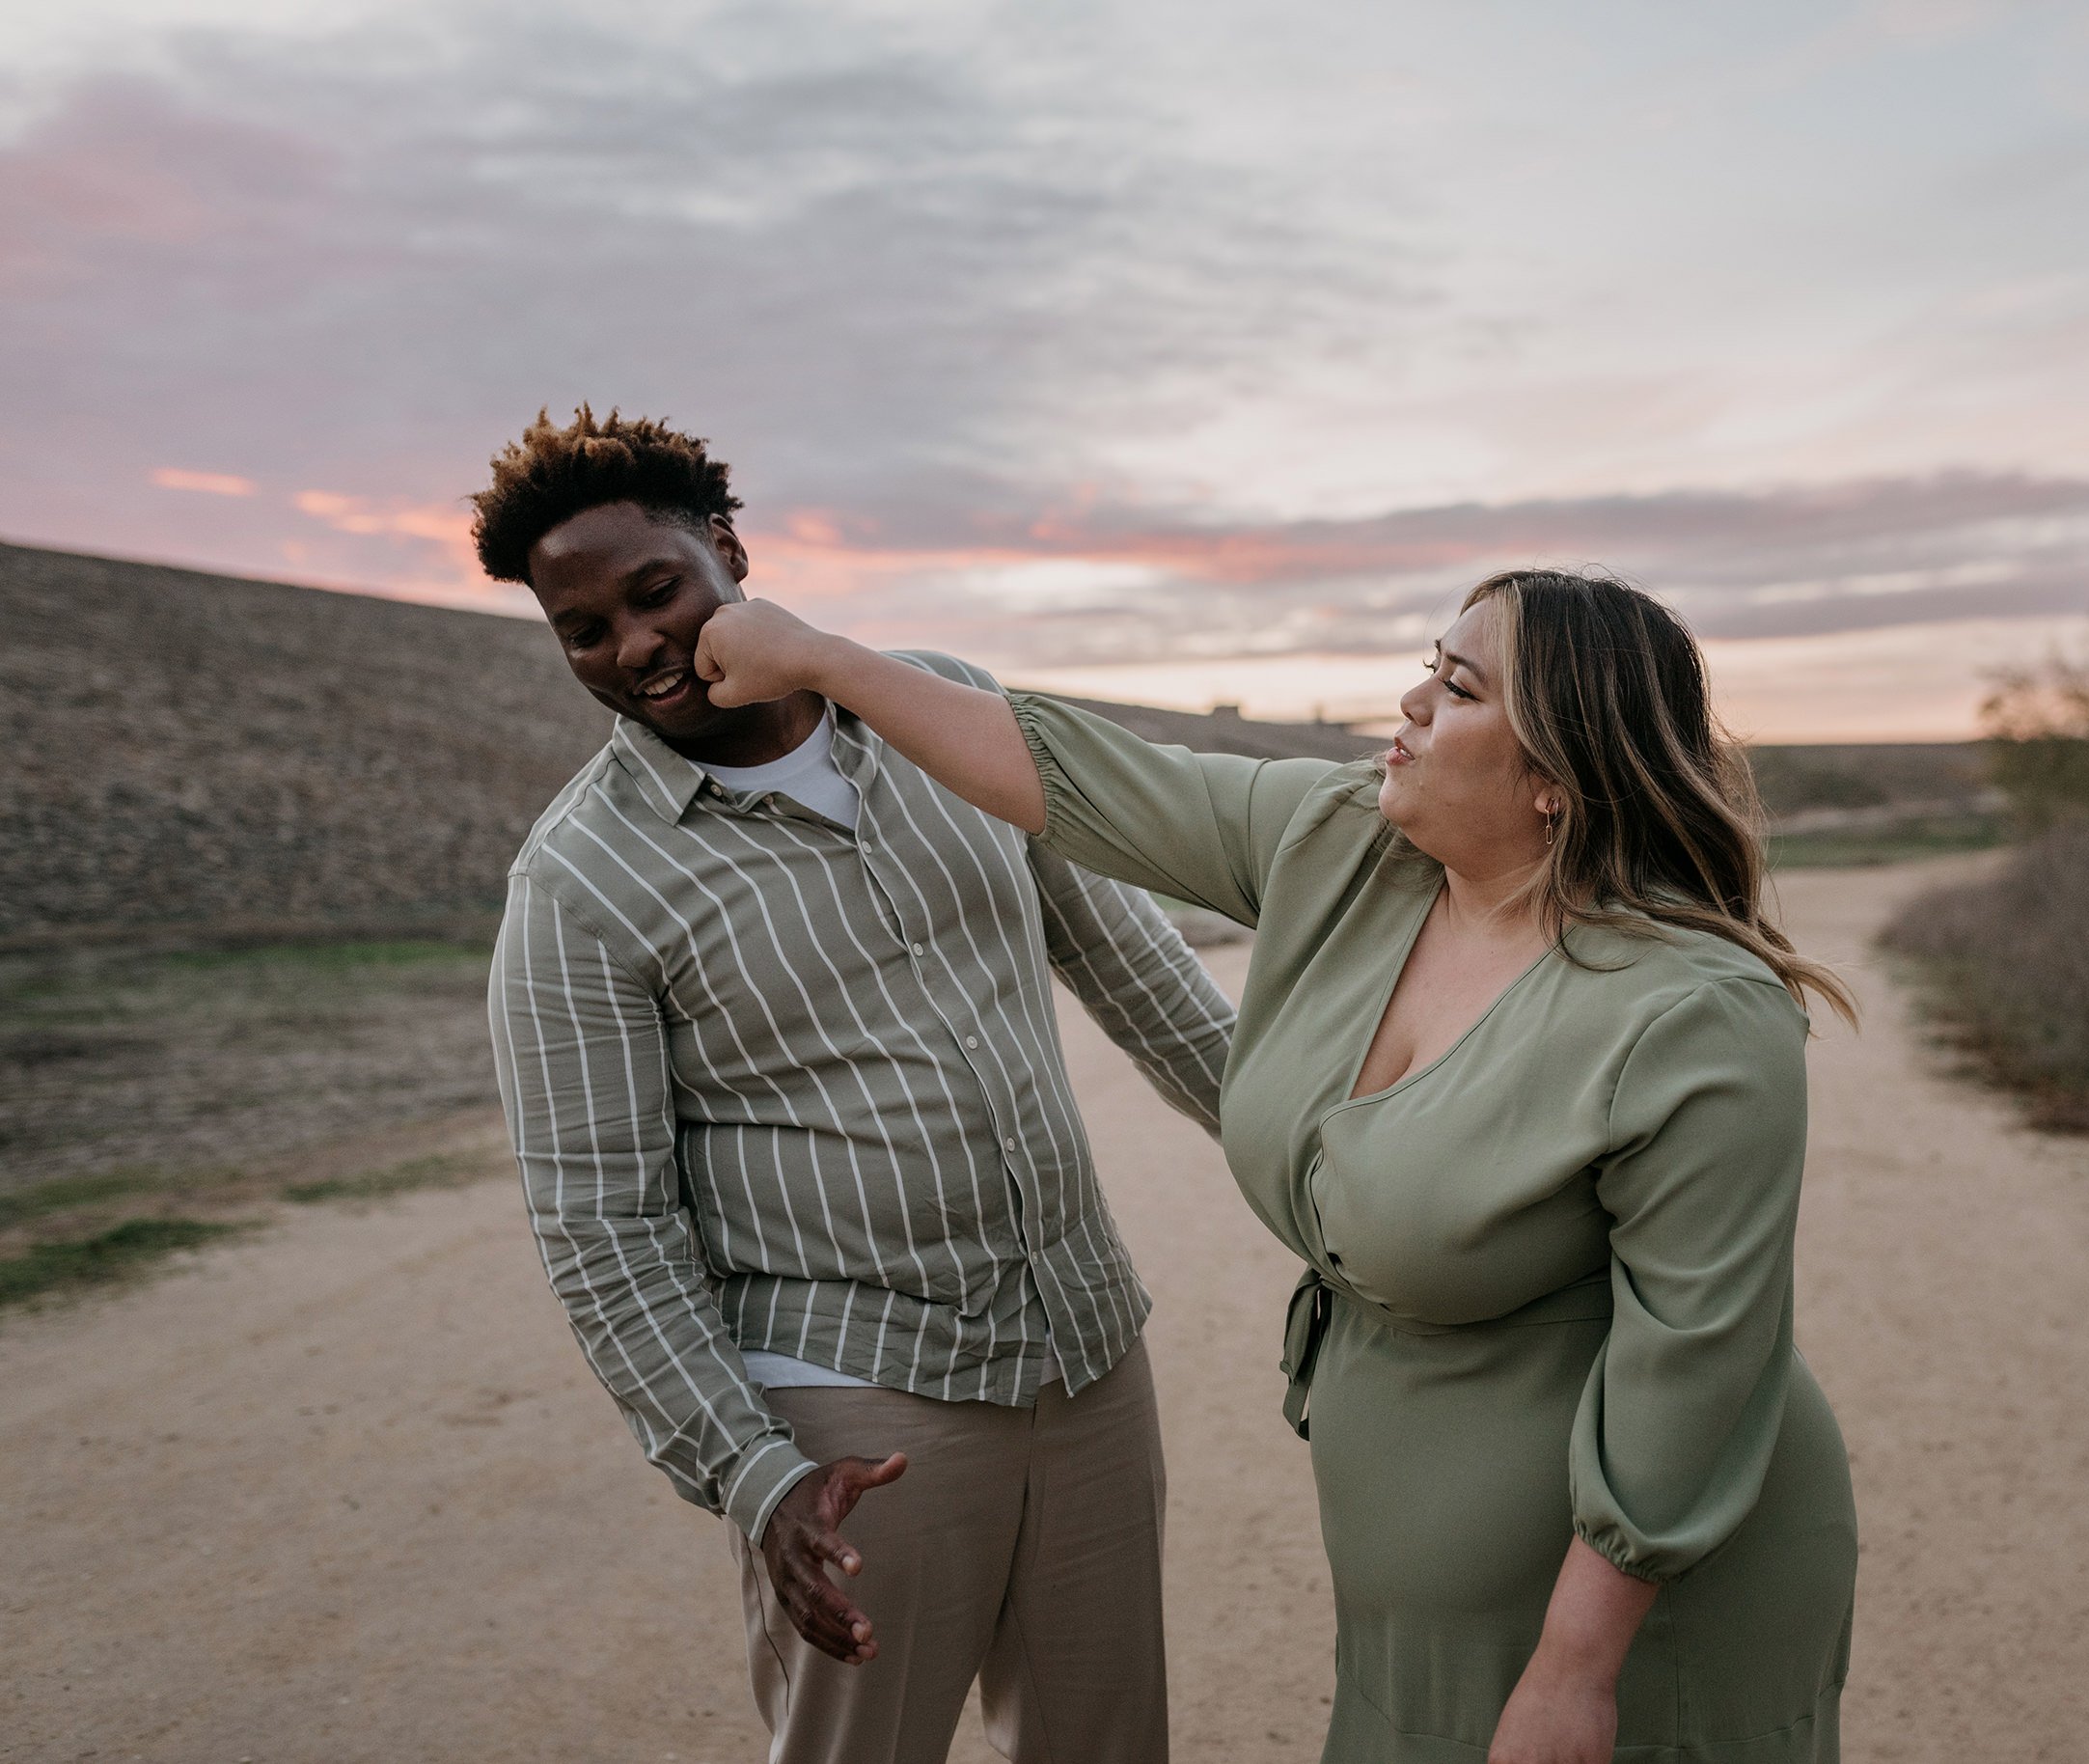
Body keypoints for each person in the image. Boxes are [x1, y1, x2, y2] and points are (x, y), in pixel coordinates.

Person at [691, 568, 1861, 1764]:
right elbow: (1071, 774)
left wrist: (1574, 1671)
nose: (1406, 704)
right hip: (1415, 1602)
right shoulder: (1348, 847)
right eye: (1428, 664)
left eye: (1456, 688)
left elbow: (1697, 1361)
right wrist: (821, 657)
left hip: (1631, 1619)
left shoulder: (1693, 1014)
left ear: (1555, 776)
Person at [472, 408, 1235, 1764]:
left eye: (655, 592)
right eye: (583, 630)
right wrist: (756, 1476)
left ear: (727, 547)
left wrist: (1337, 1175)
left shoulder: (937, 703)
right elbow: (605, 1231)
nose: (634, 646)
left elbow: (1137, 974)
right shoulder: (579, 888)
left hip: (1086, 1349)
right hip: (853, 1414)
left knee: (1110, 1743)